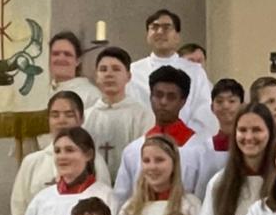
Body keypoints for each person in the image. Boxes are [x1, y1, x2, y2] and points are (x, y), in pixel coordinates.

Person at [9, 91, 113, 215]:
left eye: (69, 115)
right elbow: (19, 207)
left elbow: (105, 205)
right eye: (55, 115)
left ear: (81, 118)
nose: (61, 120)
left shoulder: (95, 161)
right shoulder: (32, 162)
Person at [115, 66, 217, 199]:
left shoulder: (201, 150)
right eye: (158, 95)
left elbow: (204, 198)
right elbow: (121, 199)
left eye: (171, 97)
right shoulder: (133, 150)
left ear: (183, 102)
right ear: (150, 97)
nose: (163, 102)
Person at [131, 9, 217, 135]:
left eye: (166, 28)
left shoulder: (195, 72)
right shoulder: (133, 71)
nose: (160, 32)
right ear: (147, 35)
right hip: (143, 139)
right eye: (154, 27)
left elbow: (204, 112)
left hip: (185, 141)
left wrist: (182, 139)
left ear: (177, 36)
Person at [86, 47, 154, 178]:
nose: (109, 74)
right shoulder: (86, 117)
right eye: (103, 69)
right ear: (96, 77)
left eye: (116, 69)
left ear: (128, 76)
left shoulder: (142, 116)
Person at [201, 77, 248, 181]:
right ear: (212, 107)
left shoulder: (249, 142)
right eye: (219, 101)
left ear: (243, 106)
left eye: (232, 101)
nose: (225, 106)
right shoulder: (205, 148)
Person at [46, 31, 100, 108]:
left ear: (78, 60)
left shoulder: (91, 95)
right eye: (55, 54)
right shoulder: (41, 92)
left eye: (67, 54)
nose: (61, 58)